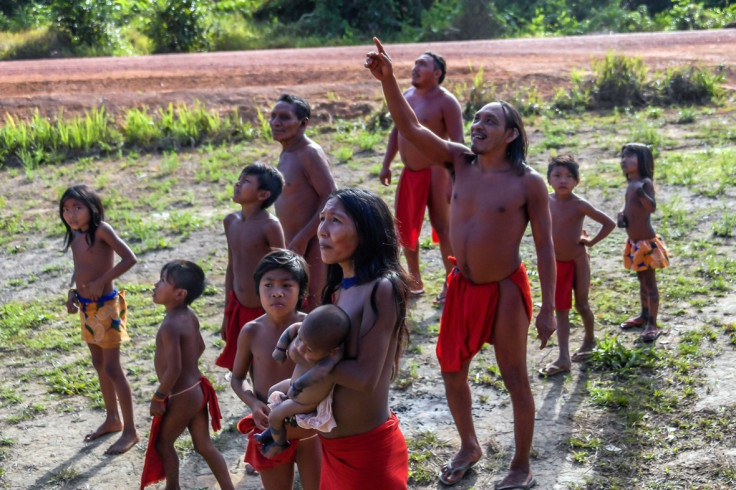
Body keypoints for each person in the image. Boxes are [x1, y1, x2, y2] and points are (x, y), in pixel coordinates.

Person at [366, 39, 556, 489]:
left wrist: (548, 308)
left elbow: (545, 247)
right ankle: (470, 444)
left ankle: (521, 465)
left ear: (511, 134)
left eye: (489, 120)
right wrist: (389, 80)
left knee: (514, 377)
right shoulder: (459, 161)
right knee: (451, 368)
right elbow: (411, 129)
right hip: (462, 286)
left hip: (505, 290)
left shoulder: (528, 183)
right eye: (476, 118)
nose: (477, 125)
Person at [288, 187, 410, 489]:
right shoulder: (338, 289)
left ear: (366, 232)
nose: (323, 231)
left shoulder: (382, 289)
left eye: (336, 221)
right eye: (322, 219)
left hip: (368, 452)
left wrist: (313, 358)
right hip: (333, 450)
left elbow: (366, 378)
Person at [230, 249, 321, 490]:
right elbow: (238, 379)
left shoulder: (311, 328)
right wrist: (253, 403)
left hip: (308, 425)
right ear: (258, 289)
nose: (276, 292)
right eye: (268, 285)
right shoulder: (250, 331)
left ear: (301, 292)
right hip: (268, 426)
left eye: (286, 286)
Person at [60, 184, 140, 455]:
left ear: (92, 209)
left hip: (106, 307)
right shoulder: (75, 235)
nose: (71, 214)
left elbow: (130, 258)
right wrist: (74, 291)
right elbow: (80, 267)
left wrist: (101, 281)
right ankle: (112, 418)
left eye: (77, 208)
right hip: (86, 307)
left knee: (113, 368)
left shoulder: (101, 230)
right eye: (66, 209)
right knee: (98, 363)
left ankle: (130, 430)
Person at [141, 261, 234, 490]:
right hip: (196, 389)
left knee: (164, 444)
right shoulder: (189, 315)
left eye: (163, 281)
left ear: (179, 294)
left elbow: (174, 369)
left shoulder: (170, 325)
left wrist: (159, 397)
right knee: (204, 446)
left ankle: (173, 488)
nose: (155, 284)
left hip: (182, 394)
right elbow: (200, 346)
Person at [379, 51, 464, 302]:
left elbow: (458, 142)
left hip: (438, 172)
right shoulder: (405, 96)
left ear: (437, 73)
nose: (415, 67)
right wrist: (387, 164)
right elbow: (397, 130)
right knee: (405, 229)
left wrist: (454, 178)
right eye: (415, 63)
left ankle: (451, 283)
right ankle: (414, 282)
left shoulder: (447, 102)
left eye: (423, 65)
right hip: (410, 173)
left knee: (443, 227)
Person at [539, 155, 615, 377]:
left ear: (577, 181)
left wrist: (590, 242)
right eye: (557, 175)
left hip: (578, 260)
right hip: (557, 264)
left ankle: (589, 340)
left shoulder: (579, 204)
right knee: (561, 310)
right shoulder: (545, 201)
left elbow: (609, 223)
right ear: (549, 179)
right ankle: (563, 357)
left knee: (582, 305)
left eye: (569, 176)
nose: (563, 180)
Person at [255, 304, 352, 458]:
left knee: (275, 416)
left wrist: (298, 387)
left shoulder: (331, 359)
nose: (300, 348)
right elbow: (293, 328)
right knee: (273, 390)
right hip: (293, 385)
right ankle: (273, 430)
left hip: (305, 401)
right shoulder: (307, 332)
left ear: (331, 351)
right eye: (300, 340)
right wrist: (280, 349)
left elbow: (315, 374)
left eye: (309, 350)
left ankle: (280, 443)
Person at [216, 162, 286, 371]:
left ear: (263, 194)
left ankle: (269, 402)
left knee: (266, 363)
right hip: (238, 305)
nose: (237, 184)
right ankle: (258, 402)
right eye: (239, 179)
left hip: (266, 310)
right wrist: (227, 313)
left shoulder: (270, 226)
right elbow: (231, 266)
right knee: (244, 362)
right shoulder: (231, 221)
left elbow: (284, 270)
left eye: (245, 181)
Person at [271, 94, 337, 311]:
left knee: (316, 305)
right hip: (296, 242)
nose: (276, 123)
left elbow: (331, 196)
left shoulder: (309, 152)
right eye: (273, 117)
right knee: (297, 305)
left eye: (284, 117)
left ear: (303, 123)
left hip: (315, 241)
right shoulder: (288, 152)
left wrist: (304, 237)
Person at [617, 143, 669, 342]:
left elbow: (652, 207)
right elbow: (628, 205)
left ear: (643, 161)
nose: (624, 160)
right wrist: (622, 214)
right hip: (635, 243)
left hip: (646, 244)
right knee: (641, 281)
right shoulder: (631, 184)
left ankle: (652, 323)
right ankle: (644, 314)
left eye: (630, 156)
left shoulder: (644, 183)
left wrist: (642, 194)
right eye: (623, 157)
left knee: (650, 283)